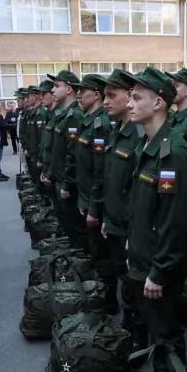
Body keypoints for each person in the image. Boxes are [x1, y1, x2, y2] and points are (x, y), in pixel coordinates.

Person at [122, 67, 187, 367]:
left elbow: (175, 220)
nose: (129, 104)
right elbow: (144, 208)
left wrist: (160, 271)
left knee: (166, 334)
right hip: (143, 256)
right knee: (154, 327)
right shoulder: (148, 144)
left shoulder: (172, 153)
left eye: (136, 98)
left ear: (158, 103)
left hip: (157, 265)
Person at [98, 69, 140, 333]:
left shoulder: (138, 135)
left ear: (129, 96)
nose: (106, 102)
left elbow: (138, 191)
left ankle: (134, 329)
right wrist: (105, 216)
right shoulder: (117, 129)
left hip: (128, 225)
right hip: (113, 220)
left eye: (112, 96)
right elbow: (111, 181)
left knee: (132, 280)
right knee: (118, 271)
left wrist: (132, 232)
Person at [74, 74, 116, 309]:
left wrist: (93, 205)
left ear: (96, 94)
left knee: (101, 252)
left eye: (84, 90)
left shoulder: (101, 124)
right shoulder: (90, 120)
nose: (79, 94)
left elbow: (100, 171)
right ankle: (101, 290)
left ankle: (108, 299)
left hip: (96, 199)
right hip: (87, 196)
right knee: (95, 249)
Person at [43, 70, 88, 248]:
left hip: (68, 183)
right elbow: (57, 151)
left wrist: (67, 183)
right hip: (60, 179)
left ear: (69, 89)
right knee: (67, 221)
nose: (52, 90)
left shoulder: (75, 116)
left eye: (56, 86)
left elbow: (73, 154)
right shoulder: (64, 115)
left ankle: (81, 267)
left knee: (76, 227)